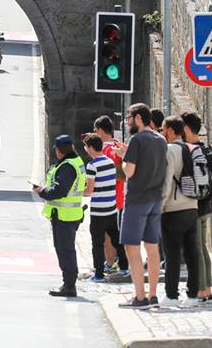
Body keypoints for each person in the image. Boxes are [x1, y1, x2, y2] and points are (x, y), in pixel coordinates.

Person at [118, 103, 168, 309]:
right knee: (152, 247)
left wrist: (123, 158)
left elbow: (129, 171)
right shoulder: (161, 139)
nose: (128, 122)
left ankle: (140, 296)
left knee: (131, 247)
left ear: (138, 118)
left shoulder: (136, 139)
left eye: (130, 118)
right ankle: (153, 294)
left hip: (137, 199)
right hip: (155, 199)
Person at [34, 134, 85, 298]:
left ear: (59, 151)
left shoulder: (67, 167)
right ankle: (68, 283)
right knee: (66, 249)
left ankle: (69, 285)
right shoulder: (75, 162)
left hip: (64, 216)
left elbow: (59, 191)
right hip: (70, 215)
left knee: (65, 250)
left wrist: (43, 191)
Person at [158, 116, 200, 307]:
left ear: (171, 130)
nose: (162, 132)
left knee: (172, 254)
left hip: (173, 208)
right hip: (192, 206)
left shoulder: (169, 150)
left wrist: (161, 204)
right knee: (192, 253)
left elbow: (167, 180)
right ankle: (192, 296)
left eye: (164, 129)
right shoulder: (191, 148)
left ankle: (172, 295)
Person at [182, 112, 212, 305]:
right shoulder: (206, 148)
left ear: (186, 129)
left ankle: (201, 291)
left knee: (196, 249)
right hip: (206, 205)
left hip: (195, 205)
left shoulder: (191, 151)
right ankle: (207, 290)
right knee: (202, 249)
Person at [83, 133, 126, 283]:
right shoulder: (109, 161)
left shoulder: (92, 165)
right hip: (111, 208)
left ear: (90, 148)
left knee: (97, 242)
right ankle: (125, 267)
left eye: (86, 147)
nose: (85, 150)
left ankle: (99, 274)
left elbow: (89, 190)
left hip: (98, 210)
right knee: (116, 239)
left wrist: (77, 192)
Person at [94, 115, 128, 275]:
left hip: (109, 198)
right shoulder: (120, 146)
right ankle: (119, 263)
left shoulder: (105, 151)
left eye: (95, 131)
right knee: (116, 233)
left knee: (108, 234)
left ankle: (110, 262)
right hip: (122, 196)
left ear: (100, 131)